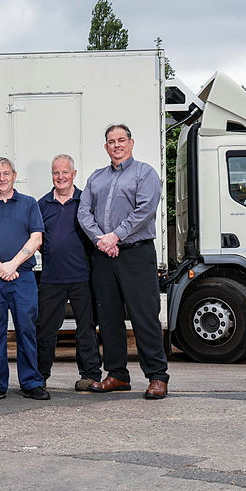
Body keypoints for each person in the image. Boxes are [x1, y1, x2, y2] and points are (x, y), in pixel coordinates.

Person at [77, 123, 169, 399]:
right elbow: (84, 212)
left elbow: (145, 210)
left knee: (144, 317)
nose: (116, 145)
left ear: (131, 143)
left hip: (136, 254)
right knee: (108, 317)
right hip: (104, 255)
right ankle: (117, 374)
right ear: (105, 147)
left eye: (121, 140)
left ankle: (157, 376)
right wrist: (101, 240)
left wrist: (115, 236)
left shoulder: (145, 173)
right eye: (111, 141)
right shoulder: (96, 178)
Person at [0, 157, 48, 401]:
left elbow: (37, 238)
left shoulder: (28, 204)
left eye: (6, 173)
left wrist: (12, 265)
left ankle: (32, 382)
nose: (1, 178)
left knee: (26, 329)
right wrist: (0, 266)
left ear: (14, 175)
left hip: (22, 277)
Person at [36, 154, 102, 391]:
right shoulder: (42, 205)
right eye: (56, 173)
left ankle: (90, 375)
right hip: (51, 277)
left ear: (74, 174)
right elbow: (36, 238)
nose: (60, 177)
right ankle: (39, 377)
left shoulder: (86, 201)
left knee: (86, 328)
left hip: (82, 277)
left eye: (65, 172)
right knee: (46, 329)